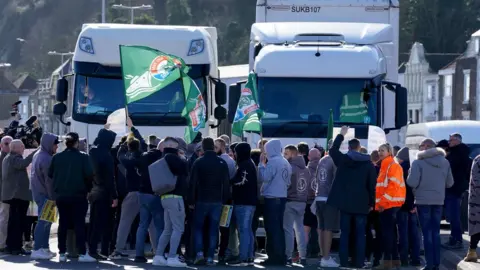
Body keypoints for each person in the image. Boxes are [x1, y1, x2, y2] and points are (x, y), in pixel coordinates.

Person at [327, 126, 377, 268]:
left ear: (348, 147)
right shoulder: (368, 164)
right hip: (362, 204)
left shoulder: (343, 160)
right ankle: (359, 262)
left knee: (345, 234)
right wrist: (371, 204)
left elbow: (333, 150)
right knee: (360, 235)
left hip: (345, 204)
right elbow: (371, 186)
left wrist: (341, 134)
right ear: (360, 148)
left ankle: (344, 262)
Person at [48, 132, 96, 262]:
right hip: (78, 195)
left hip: (61, 195)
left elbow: (50, 174)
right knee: (79, 224)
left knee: (63, 224)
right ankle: (82, 253)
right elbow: (90, 175)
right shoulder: (83, 157)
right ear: (76, 143)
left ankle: (62, 253)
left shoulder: (57, 157)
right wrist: (88, 189)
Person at [407, 138, 453, 270]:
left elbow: (412, 183)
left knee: (426, 233)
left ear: (426, 147)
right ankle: (436, 264)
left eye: (421, 145)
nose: (420, 148)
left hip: (422, 200)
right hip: (438, 200)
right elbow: (450, 183)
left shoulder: (418, 162)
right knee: (436, 232)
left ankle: (429, 264)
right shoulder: (445, 162)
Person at [189, 137, 231, 266]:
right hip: (217, 200)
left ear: (203, 147)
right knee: (214, 229)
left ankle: (199, 254)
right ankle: (211, 257)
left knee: (198, 228)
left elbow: (193, 183)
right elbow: (226, 183)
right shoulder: (222, 163)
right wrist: (225, 200)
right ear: (213, 146)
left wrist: (191, 200)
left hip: (201, 199)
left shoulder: (198, 162)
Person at [153, 137, 189, 267]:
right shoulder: (173, 158)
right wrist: (183, 158)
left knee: (167, 229)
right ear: (173, 146)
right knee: (178, 228)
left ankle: (159, 255)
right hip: (176, 197)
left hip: (165, 197)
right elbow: (185, 170)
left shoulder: (162, 159)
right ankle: (173, 256)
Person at [258, 139, 291, 265]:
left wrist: (262, 165)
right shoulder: (285, 162)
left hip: (271, 198)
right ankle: (280, 255)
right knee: (279, 228)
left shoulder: (272, 162)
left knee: (272, 228)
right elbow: (288, 182)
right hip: (282, 197)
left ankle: (274, 257)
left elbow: (264, 177)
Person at [2, 139, 37, 255]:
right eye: (22, 147)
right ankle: (16, 247)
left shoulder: (7, 158)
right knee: (18, 223)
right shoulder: (14, 158)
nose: (23, 149)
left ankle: (12, 246)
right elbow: (23, 164)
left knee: (13, 222)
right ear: (15, 148)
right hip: (18, 196)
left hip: (14, 196)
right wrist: (35, 153)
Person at [88, 127, 118, 259]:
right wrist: (115, 195)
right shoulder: (106, 154)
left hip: (93, 190)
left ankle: (92, 249)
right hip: (104, 192)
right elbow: (110, 177)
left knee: (94, 221)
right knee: (105, 223)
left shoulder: (92, 151)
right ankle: (101, 250)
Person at [375, 143, 405, 269]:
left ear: (389, 152)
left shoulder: (392, 166)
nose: (380, 152)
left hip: (389, 204)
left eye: (383, 150)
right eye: (379, 150)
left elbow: (393, 187)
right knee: (391, 233)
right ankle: (394, 260)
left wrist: (382, 203)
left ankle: (387, 261)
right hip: (388, 204)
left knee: (387, 234)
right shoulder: (386, 165)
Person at [227, 143, 258, 266]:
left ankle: (243, 257)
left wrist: (229, 182)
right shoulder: (250, 163)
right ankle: (249, 256)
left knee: (243, 230)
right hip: (250, 202)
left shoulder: (244, 165)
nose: (234, 154)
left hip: (243, 202)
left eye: (236, 151)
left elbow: (241, 181)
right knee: (248, 230)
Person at [30, 133, 60, 260]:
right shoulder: (47, 158)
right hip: (46, 194)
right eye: (55, 145)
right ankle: (38, 248)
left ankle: (44, 247)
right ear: (49, 144)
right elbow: (49, 181)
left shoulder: (39, 155)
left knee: (46, 222)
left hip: (40, 193)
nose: (56, 147)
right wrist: (53, 196)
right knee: (44, 222)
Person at [443, 133, 472, 249]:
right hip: (456, 188)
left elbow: (451, 169)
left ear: (457, 141)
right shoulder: (462, 153)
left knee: (454, 216)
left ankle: (457, 240)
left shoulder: (456, 155)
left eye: (451, 140)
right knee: (453, 215)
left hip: (454, 189)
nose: (449, 142)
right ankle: (454, 238)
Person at [315, 142, 340, 268]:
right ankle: (326, 257)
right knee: (328, 229)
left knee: (322, 228)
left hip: (319, 197)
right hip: (329, 199)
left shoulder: (322, 159)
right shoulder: (335, 160)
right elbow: (337, 180)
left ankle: (324, 256)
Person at [283, 145, 309, 265]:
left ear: (292, 154)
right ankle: (302, 256)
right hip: (302, 201)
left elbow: (285, 184)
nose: (284, 156)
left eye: (286, 153)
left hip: (290, 200)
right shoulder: (305, 168)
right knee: (300, 230)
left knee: (288, 230)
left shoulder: (290, 167)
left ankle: (288, 256)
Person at [395, 147, 421, 267]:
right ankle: (416, 258)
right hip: (414, 205)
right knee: (415, 233)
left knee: (403, 233)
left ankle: (404, 259)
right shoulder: (416, 167)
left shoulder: (399, 168)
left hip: (402, 204)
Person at [305, 148, 320, 258]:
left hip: (307, 202)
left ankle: (304, 251)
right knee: (318, 228)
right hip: (319, 202)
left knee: (306, 228)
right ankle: (317, 250)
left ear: (309, 157)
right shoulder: (324, 169)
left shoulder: (305, 170)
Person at [465, 154, 480, 262]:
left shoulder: (478, 159)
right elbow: (476, 180)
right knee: (476, 225)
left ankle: (472, 252)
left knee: (476, 225)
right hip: (477, 199)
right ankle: (472, 251)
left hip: (476, 198)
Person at [0, 136, 12, 252]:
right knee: (4, 219)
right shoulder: (4, 158)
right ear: (1, 145)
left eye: (11, 144)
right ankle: (2, 244)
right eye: (6, 143)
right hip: (4, 194)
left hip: (7, 194)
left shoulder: (9, 157)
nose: (9, 146)